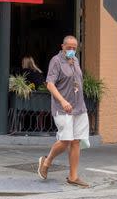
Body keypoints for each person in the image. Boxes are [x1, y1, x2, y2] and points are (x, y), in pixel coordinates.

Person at [37, 35, 89, 188]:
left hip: (79, 107)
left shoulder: (76, 61)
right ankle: (47, 161)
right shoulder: (56, 61)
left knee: (76, 141)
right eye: (69, 47)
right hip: (63, 108)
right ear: (62, 46)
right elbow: (50, 84)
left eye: (74, 48)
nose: (72, 50)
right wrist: (63, 101)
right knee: (66, 140)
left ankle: (73, 176)